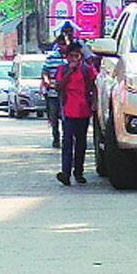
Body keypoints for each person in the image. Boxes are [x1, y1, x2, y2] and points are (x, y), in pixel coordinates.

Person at [54, 41, 98, 186]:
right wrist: (69, 72)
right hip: (68, 111)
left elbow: (95, 85)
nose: (74, 59)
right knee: (67, 143)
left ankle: (78, 172)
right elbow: (58, 87)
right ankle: (65, 172)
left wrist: (94, 103)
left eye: (76, 56)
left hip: (83, 111)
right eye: (71, 56)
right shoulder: (63, 69)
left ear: (80, 57)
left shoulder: (87, 70)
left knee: (81, 143)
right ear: (67, 57)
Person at [42, 35, 69, 148]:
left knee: (66, 117)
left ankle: (66, 138)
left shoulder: (72, 57)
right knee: (53, 116)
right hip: (53, 92)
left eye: (65, 44)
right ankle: (56, 138)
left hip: (68, 93)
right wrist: (47, 82)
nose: (63, 46)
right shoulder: (51, 57)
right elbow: (45, 72)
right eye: (61, 44)